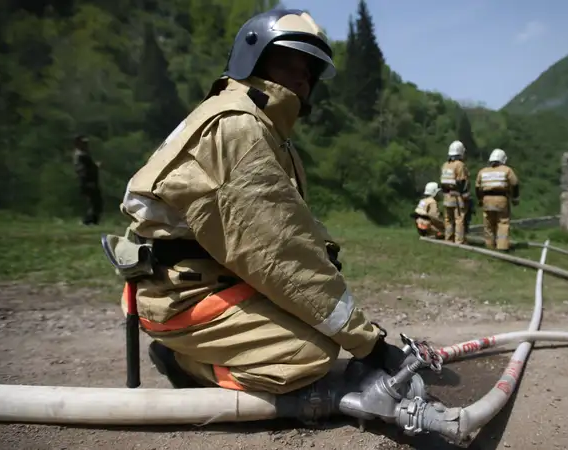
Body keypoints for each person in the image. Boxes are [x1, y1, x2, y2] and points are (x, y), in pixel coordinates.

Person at [102, 9, 406, 394]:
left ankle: (197, 354)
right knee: (309, 353)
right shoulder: (237, 130)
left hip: (195, 282)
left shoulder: (251, 122)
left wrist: (323, 253)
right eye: (288, 62)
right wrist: (369, 345)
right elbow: (282, 255)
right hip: (182, 298)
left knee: (314, 313)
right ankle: (186, 364)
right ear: (253, 60)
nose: (303, 78)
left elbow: (288, 225)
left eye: (310, 70)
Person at [474, 149, 519, 251]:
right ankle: (502, 247)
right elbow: (515, 184)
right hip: (501, 199)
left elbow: (477, 187)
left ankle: (489, 246)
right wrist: (515, 198)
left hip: (486, 199)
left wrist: (480, 199)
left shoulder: (483, 171)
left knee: (488, 224)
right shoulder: (506, 170)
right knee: (502, 223)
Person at [439, 140, 470, 244]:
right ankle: (459, 241)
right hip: (457, 196)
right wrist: (465, 194)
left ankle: (448, 239)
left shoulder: (445, 165)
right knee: (459, 219)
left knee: (448, 219)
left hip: (446, 196)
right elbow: (462, 181)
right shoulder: (460, 165)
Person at [72, 135, 102, 225]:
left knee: (95, 202)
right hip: (88, 182)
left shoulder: (82, 155)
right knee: (93, 202)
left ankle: (92, 221)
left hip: (89, 181)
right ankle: (88, 221)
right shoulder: (81, 156)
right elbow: (84, 170)